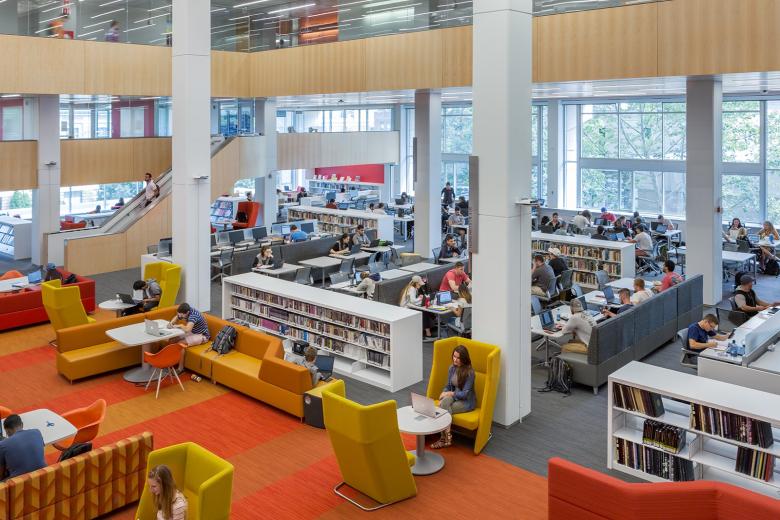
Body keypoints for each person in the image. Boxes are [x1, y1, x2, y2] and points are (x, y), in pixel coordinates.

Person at [431, 345, 475, 449]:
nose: (455, 359)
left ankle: (443, 439)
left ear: (464, 359)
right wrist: (444, 393)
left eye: (458, 358)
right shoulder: (452, 368)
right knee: (444, 402)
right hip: (454, 397)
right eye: (454, 356)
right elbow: (448, 386)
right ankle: (448, 436)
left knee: (442, 407)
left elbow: (465, 394)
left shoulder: (470, 373)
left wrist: (450, 394)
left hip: (465, 402)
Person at [0, 414, 46, 481]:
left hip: (19, 483)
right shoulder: (37, 432)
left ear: (7, 431)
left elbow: (1, 473)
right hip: (44, 476)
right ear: (22, 424)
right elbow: (40, 453)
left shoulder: (3, 444)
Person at [168, 303, 210, 370]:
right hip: (193, 332)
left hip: (202, 335)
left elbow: (187, 329)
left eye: (181, 314)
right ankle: (171, 362)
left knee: (180, 344)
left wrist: (180, 325)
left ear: (187, 312)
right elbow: (177, 317)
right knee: (171, 340)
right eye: (179, 313)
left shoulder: (193, 316)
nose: (180, 315)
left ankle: (180, 368)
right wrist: (171, 323)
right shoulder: (184, 311)